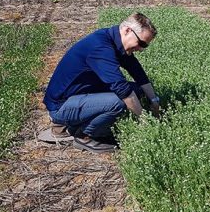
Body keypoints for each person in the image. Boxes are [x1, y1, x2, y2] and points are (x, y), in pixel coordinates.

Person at [38, 12, 160, 153]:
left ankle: (83, 124)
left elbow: (138, 74)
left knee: (138, 91)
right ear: (127, 31)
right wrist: (145, 122)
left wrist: (154, 101)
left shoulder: (114, 40)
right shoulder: (101, 47)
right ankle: (84, 136)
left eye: (145, 46)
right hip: (61, 106)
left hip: (80, 95)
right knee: (120, 101)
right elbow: (122, 90)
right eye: (141, 43)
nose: (140, 49)